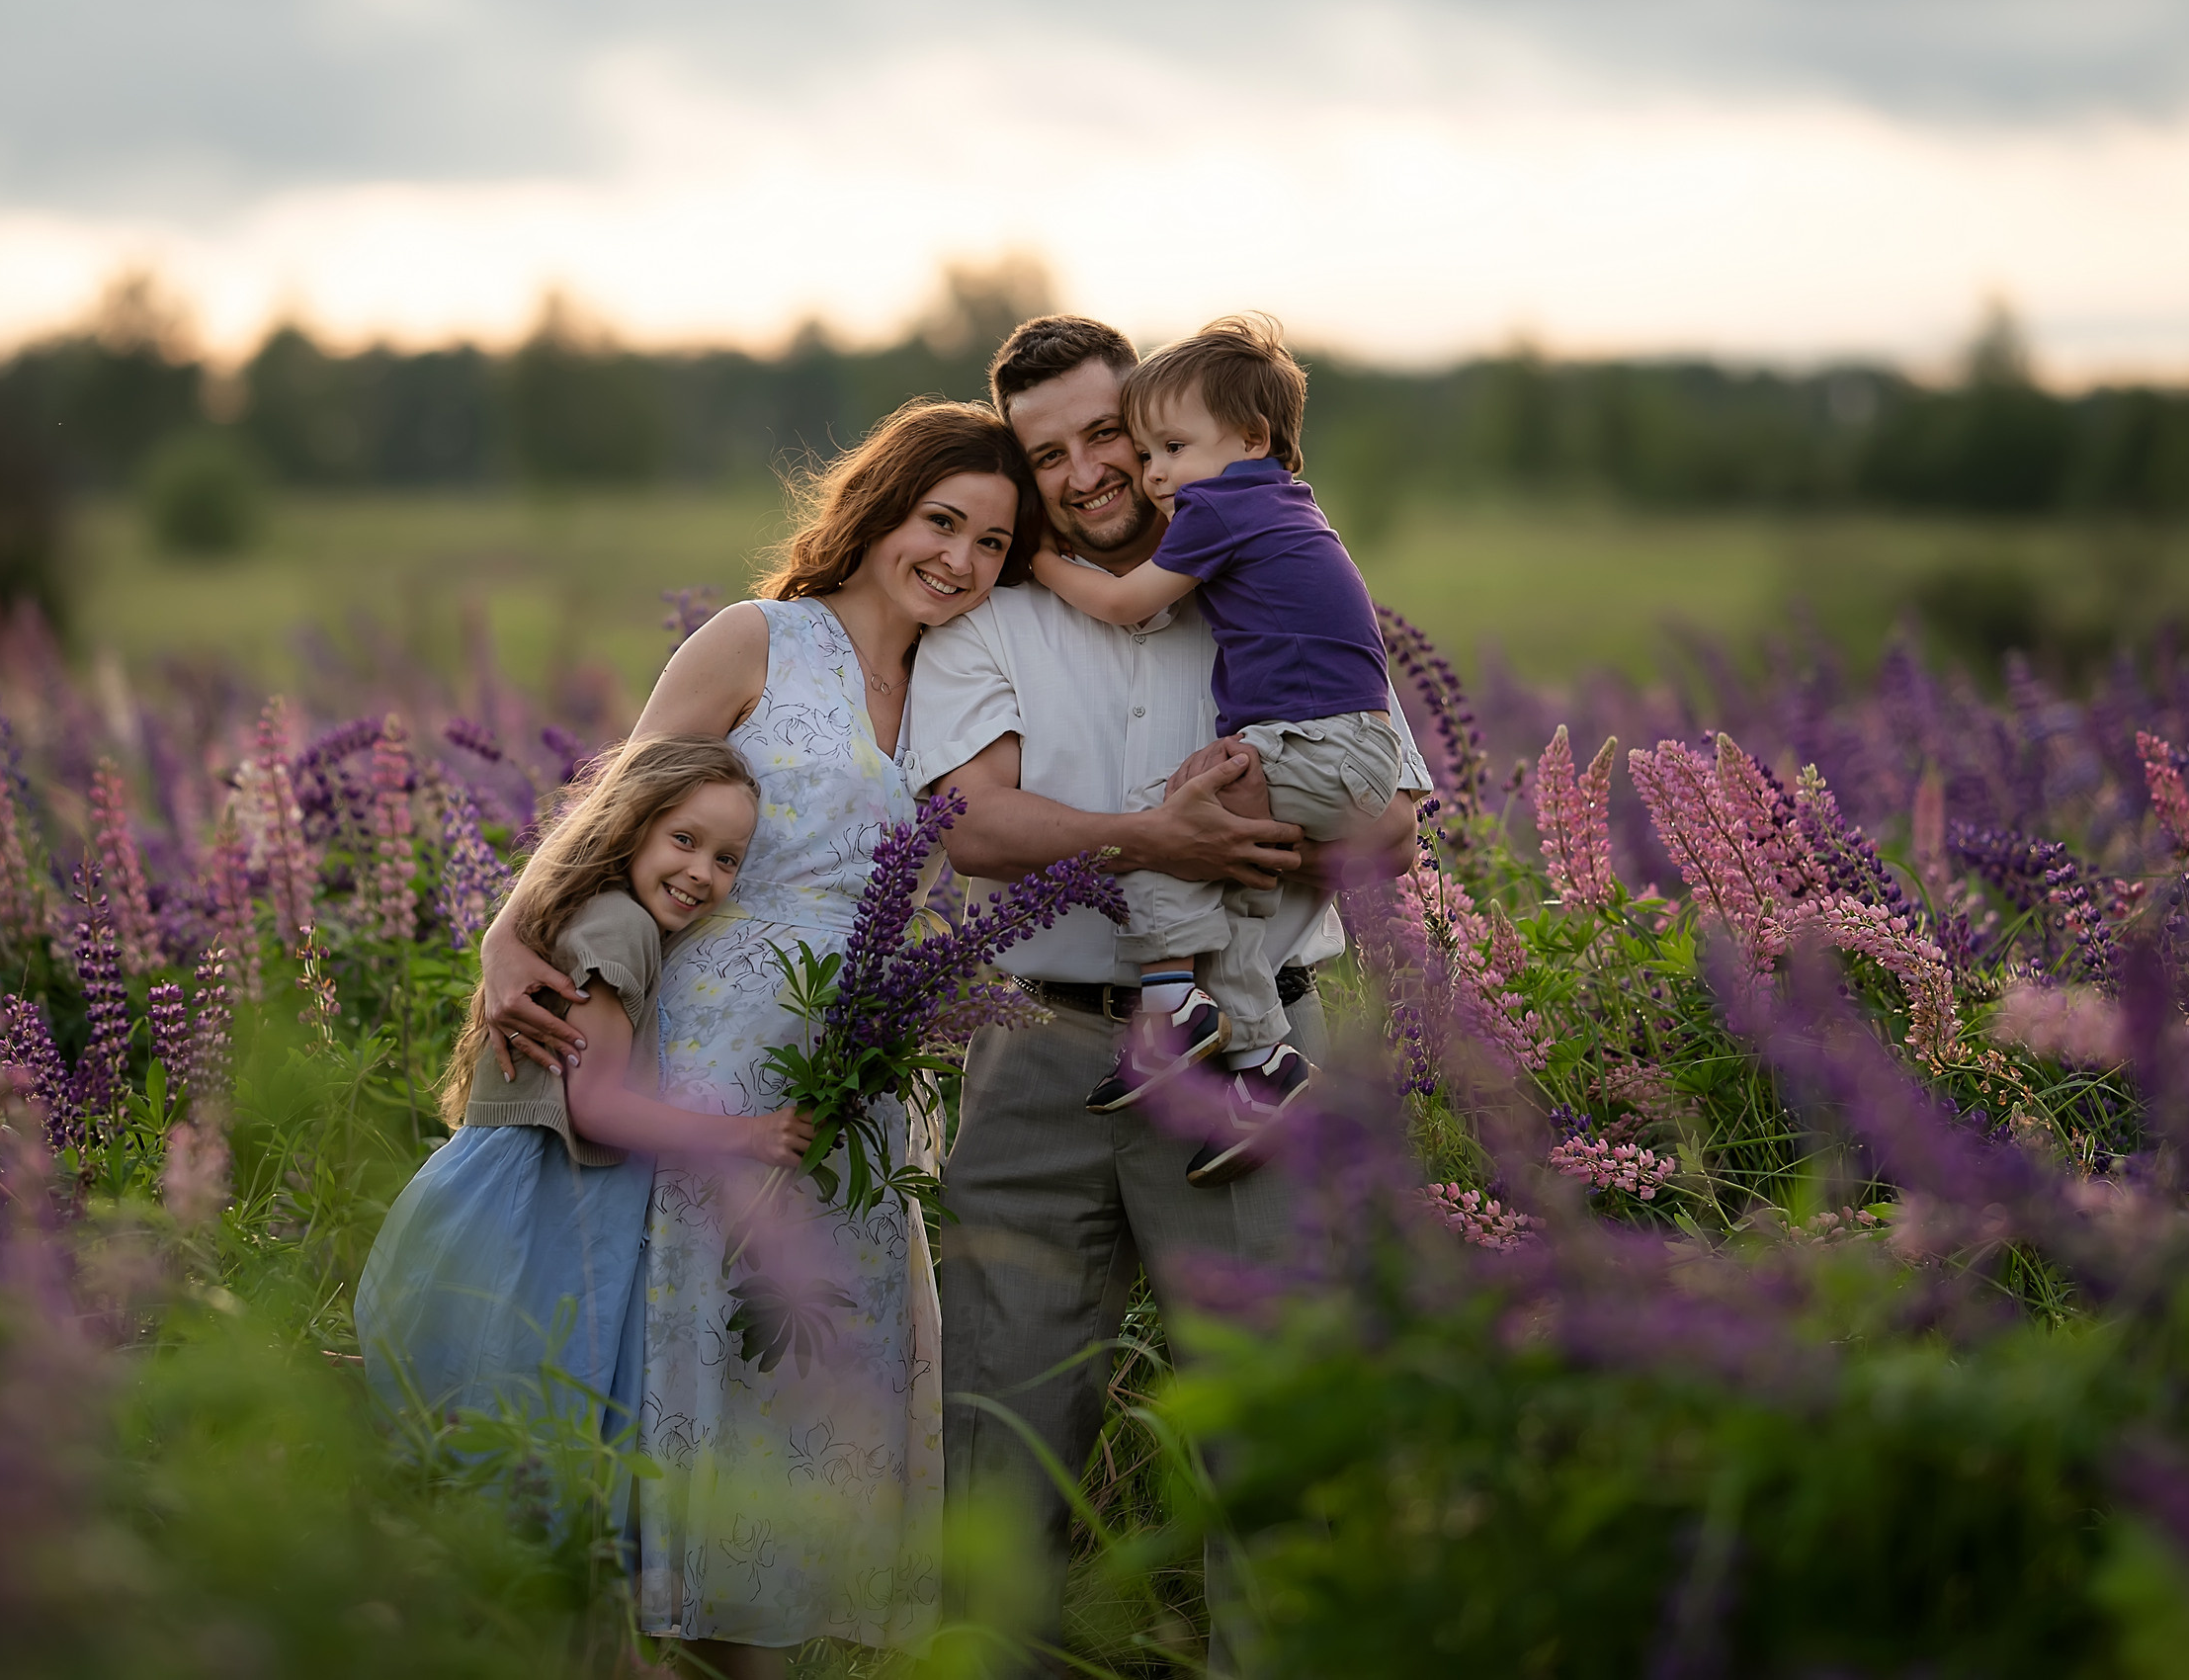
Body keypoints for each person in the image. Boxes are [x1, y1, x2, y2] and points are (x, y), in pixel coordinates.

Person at [478, 398, 1045, 1677]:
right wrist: (509, 936)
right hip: (712, 1061)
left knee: (816, 1381)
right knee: (708, 1376)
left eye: (992, 544)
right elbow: (623, 808)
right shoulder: (758, 641)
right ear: (881, 506)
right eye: (939, 520)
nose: (957, 560)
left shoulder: (964, 687)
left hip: (856, 1083)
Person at [901, 314, 1430, 1673]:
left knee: (1270, 1433)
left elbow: (1392, 830)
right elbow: (976, 828)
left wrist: (1244, 848)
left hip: (1257, 1052)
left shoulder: (1283, 571)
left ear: (1151, 422)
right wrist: (1156, 840)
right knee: (1001, 1430)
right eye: (1048, 452)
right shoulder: (996, 619)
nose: (1086, 471)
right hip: (1038, 1057)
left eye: (1106, 434)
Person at [355, 732, 811, 1469]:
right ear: (634, 826)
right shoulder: (620, 926)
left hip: (518, 1201)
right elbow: (594, 1105)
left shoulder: (607, 913)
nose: (701, 872)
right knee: (525, 1440)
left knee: (484, 1441)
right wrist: (747, 1135)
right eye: (684, 840)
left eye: (726, 858)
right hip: (538, 1211)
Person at [1028, 314, 1401, 1185]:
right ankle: (1265, 1064)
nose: (1156, 474)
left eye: (1171, 448)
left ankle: (1169, 1009)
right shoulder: (1286, 507)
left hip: (1319, 744)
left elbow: (1130, 604)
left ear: (1253, 438)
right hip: (1345, 748)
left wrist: (1043, 562)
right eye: (1148, 453)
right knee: (1236, 895)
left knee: (1174, 818)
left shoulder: (1222, 503)